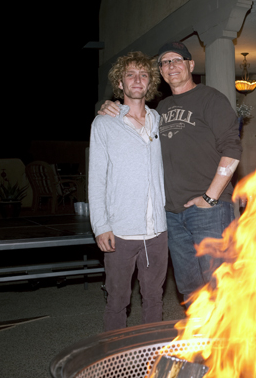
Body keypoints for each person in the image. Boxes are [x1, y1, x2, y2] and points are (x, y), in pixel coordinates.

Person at [99, 41, 242, 305]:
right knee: (190, 289)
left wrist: (209, 198)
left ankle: (230, 346)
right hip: (172, 216)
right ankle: (198, 343)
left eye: (177, 60)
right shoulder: (160, 110)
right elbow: (134, 117)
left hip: (208, 211)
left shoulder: (211, 99)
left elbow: (232, 150)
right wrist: (112, 107)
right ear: (161, 73)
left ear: (190, 65)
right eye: (165, 62)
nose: (171, 66)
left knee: (220, 286)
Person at [89, 51, 168, 331]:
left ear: (150, 83)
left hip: (157, 231)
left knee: (154, 299)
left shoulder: (161, 121)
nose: (137, 80)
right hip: (120, 232)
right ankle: (115, 363)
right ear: (120, 83)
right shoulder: (104, 123)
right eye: (130, 75)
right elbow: (96, 179)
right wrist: (100, 226)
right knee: (117, 301)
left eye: (143, 75)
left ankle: (151, 361)